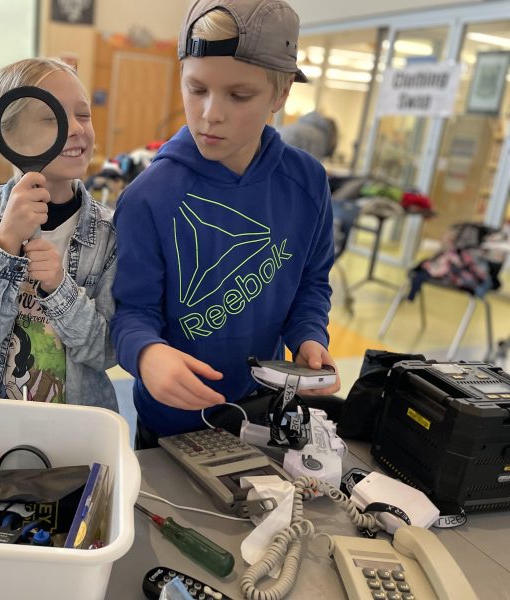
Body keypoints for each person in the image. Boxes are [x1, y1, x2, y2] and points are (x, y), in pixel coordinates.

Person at [111, 0, 341, 447]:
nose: (210, 113)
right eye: (196, 89)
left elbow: (312, 283)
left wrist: (309, 336)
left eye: (239, 95)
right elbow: (131, 313)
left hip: (265, 411)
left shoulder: (307, 181)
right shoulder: (147, 198)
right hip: (171, 425)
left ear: (281, 94)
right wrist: (147, 354)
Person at [0, 57, 117, 409]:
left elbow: (107, 351)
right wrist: (6, 243)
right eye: (51, 117)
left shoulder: (111, 231)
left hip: (78, 423)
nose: (76, 128)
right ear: (9, 136)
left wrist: (59, 288)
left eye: (83, 114)